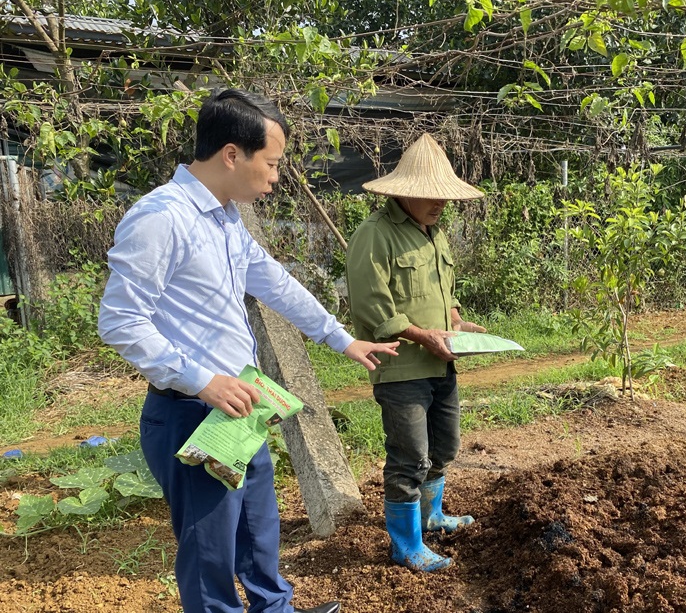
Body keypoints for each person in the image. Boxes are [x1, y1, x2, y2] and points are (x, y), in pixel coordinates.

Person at [98, 88, 399, 613]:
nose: (277, 176)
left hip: (240, 406)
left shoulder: (224, 217)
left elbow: (274, 283)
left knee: (259, 531)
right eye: (273, 162)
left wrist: (341, 338)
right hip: (193, 411)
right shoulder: (161, 218)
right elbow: (120, 320)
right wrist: (202, 380)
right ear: (233, 154)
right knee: (209, 551)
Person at [345, 133, 486, 572]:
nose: (438, 202)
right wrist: (423, 335)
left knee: (445, 447)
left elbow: (443, 293)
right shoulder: (374, 235)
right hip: (402, 368)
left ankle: (432, 517)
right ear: (403, 190)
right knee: (409, 458)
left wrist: (457, 323)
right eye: (429, 194)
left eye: (443, 196)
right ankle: (405, 545)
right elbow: (372, 306)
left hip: (440, 364)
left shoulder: (434, 234)